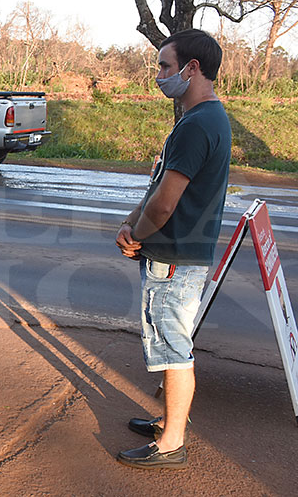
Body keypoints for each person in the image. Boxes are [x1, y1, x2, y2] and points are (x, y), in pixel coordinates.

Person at [114, 29, 231, 469]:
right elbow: (158, 185)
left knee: (172, 349)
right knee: (170, 344)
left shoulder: (197, 124)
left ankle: (171, 443)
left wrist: (137, 235)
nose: (159, 75)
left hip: (175, 258)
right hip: (178, 254)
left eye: (165, 65)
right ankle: (169, 422)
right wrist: (131, 222)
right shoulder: (202, 119)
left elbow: (164, 204)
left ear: (192, 68)